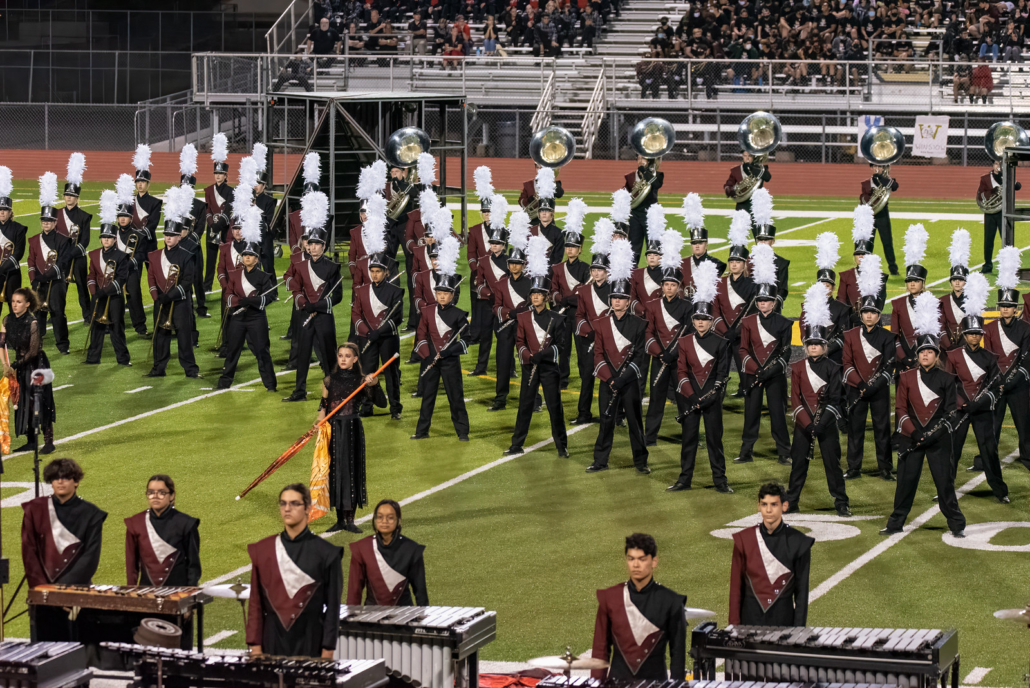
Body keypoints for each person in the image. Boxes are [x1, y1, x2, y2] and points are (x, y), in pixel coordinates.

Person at [882, 295, 966, 538]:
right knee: (905, 485)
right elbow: (900, 410)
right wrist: (915, 433)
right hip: (912, 439)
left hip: (939, 441)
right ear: (917, 355)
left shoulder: (948, 379)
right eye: (922, 352)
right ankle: (895, 523)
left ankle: (957, 524)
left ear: (937, 354)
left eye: (930, 351)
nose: (926, 355)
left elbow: (951, 412)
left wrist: (934, 434)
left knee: (945, 484)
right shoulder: (906, 377)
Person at [247, 483, 343, 658]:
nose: (287, 509)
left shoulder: (327, 553)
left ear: (308, 508)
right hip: (272, 640)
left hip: (310, 639)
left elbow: (332, 607)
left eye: (294, 504)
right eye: (283, 504)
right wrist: (255, 647)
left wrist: (328, 649)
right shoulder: (263, 550)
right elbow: (255, 603)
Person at [22, 458, 107, 641]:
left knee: (77, 654)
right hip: (43, 596)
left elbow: (90, 558)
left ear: (76, 481)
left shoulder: (91, 514)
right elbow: (29, 554)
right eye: (55, 478)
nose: (60, 481)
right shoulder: (35, 510)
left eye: (66, 477)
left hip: (76, 594)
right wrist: (44, 590)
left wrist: (62, 590)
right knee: (43, 656)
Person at [785, 286, 850, 517]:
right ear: (806, 346)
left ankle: (841, 502)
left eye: (817, 344)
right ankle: (792, 501)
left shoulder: (834, 368)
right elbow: (796, 399)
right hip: (804, 426)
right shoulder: (797, 367)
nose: (813, 347)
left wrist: (822, 424)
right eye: (810, 344)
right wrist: (808, 423)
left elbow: (835, 397)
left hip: (827, 424)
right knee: (798, 465)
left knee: (833, 465)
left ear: (824, 346)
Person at [587, 240, 649, 474]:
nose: (616, 301)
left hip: (629, 382)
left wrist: (623, 379)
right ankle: (600, 460)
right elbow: (598, 354)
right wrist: (609, 378)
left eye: (621, 298)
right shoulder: (601, 323)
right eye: (613, 298)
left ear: (628, 301)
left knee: (634, 422)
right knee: (605, 421)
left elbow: (640, 356)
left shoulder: (639, 324)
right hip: (608, 381)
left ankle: (641, 462)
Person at [943, 282, 1009, 502]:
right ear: (964, 333)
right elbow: (949, 384)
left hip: (982, 411)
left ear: (981, 334)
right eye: (969, 333)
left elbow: (997, 386)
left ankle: (1000, 491)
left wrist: (979, 404)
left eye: (976, 334)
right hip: (961, 411)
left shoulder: (990, 358)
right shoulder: (952, 355)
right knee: (953, 451)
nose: (973, 337)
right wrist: (962, 404)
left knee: (989, 452)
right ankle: (945, 489)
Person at [670, 263, 731, 493]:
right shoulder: (685, 342)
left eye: (704, 319)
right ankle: (684, 480)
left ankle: (720, 481)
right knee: (688, 441)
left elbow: (722, 375)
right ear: (693, 320)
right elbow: (681, 372)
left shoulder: (721, 342)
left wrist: (710, 397)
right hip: (690, 398)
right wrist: (693, 396)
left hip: (712, 401)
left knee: (715, 441)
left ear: (710, 320)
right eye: (697, 319)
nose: (700, 322)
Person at [591, 533, 685, 681]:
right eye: (631, 559)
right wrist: (596, 683)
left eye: (642, 559)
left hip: (656, 684)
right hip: (617, 684)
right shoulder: (610, 598)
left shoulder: (670, 601)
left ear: (654, 561)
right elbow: (600, 649)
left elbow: (678, 654)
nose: (635, 565)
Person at [505, 236, 567, 457]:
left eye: (540, 295)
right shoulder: (523, 317)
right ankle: (516, 444)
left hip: (549, 368)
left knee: (554, 407)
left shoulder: (557, 319)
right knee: (525, 406)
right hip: (530, 366)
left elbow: (561, 346)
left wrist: (546, 354)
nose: (536, 297)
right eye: (534, 294)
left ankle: (562, 446)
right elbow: (519, 342)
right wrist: (529, 357)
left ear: (546, 296)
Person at [313, 343, 385, 533]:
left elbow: (382, 403)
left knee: (351, 472)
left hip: (352, 428)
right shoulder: (329, 380)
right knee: (335, 471)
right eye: (340, 355)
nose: (343, 359)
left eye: (347, 356)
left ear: (355, 359)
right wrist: (318, 424)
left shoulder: (361, 381)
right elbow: (323, 406)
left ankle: (350, 520)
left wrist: (375, 384)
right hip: (334, 428)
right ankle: (339, 520)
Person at [735, 245, 792, 465]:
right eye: (759, 301)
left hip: (775, 376)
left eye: (766, 301)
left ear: (774, 301)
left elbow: (786, 352)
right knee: (751, 415)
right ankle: (746, 451)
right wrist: (755, 370)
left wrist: (770, 371)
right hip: (753, 374)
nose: (762, 304)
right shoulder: (748, 322)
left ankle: (784, 452)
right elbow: (742, 349)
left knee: (778, 415)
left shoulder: (784, 323)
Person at [841, 254, 896, 481]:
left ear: (878, 314)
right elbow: (846, 364)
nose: (869, 315)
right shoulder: (851, 335)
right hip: (857, 389)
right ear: (861, 315)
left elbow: (889, 365)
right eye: (866, 313)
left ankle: (885, 469)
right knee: (855, 430)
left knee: (883, 430)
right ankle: (854, 467)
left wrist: (873, 386)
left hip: (879, 391)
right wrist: (860, 384)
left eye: (873, 312)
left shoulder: (887, 336)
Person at [728, 483, 813, 626]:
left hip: (784, 623)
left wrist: (798, 632)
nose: (768, 510)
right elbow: (735, 590)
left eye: (774, 504)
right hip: (749, 622)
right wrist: (733, 627)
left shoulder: (799, 543)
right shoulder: (744, 540)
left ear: (784, 506)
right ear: (758, 506)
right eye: (764, 504)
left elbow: (801, 595)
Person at [284, 220, 343, 402]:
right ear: (307, 246)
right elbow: (296, 290)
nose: (314, 247)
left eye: (317, 244)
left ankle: (335, 390)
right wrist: (303, 303)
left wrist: (319, 306)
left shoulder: (333, 267)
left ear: (324, 246)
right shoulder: (300, 267)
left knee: (328, 356)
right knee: (303, 354)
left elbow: (337, 296)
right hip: (305, 314)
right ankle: (299, 391)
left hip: (324, 317)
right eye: (311, 244)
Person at [146, 195, 201, 380]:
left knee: (184, 337)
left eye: (172, 236)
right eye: (166, 235)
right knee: (160, 335)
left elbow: (187, 281)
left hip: (180, 303)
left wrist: (172, 295)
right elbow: (151, 277)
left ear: (179, 236)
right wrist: (156, 296)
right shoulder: (154, 255)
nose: (168, 238)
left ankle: (190, 369)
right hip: (161, 301)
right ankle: (158, 368)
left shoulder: (187, 255)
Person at [643, 234, 691, 447]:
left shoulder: (687, 307)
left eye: (673, 285)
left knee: (684, 398)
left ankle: (689, 435)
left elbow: (689, 336)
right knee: (656, 399)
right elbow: (648, 333)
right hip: (660, 360)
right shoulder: (653, 306)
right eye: (666, 284)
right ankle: (650, 436)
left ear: (678, 286)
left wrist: (676, 354)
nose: (669, 288)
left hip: (679, 361)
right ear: (661, 286)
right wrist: (660, 353)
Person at [411, 269, 470, 441]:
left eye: (445, 293)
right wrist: (428, 355)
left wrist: (450, 351)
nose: (442, 296)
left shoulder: (459, 315)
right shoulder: (427, 311)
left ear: (452, 295)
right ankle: (422, 431)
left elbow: (467, 339)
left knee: (455, 396)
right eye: (439, 293)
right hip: (431, 360)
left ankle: (463, 432)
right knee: (427, 396)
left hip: (450, 361)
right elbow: (420, 335)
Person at [984, 252, 1030, 474]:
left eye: (1009, 306)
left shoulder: (1025, 329)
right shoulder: (990, 328)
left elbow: (1026, 359)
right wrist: (997, 382)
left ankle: (1028, 457)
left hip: (1019, 386)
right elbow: (988, 356)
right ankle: (986, 458)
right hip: (996, 384)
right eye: (1002, 305)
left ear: (1016, 309)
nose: (1005, 309)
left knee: (1024, 425)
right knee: (992, 425)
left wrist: (1010, 382)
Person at [218, 223, 278, 391]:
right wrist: (240, 302)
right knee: (232, 351)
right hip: (237, 318)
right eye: (245, 255)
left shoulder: (264, 277)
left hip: (256, 319)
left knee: (262, 351)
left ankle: (271, 384)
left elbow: (269, 297)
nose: (247, 258)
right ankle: (224, 382)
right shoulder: (235, 275)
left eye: (250, 256)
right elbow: (228, 296)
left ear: (256, 259)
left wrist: (251, 301)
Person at [2, 288, 55, 453]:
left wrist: (15, 366)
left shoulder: (32, 323)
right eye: (13, 302)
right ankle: (31, 441)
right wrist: (4, 364)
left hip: (37, 366)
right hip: (20, 366)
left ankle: (48, 442)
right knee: (24, 402)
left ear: (27, 304)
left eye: (19, 302)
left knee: (40, 401)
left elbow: (33, 351)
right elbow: (1, 343)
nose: (15, 305)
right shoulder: (7, 320)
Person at [347, 499, 428, 606]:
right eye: (379, 517)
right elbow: (354, 591)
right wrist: (351, 619)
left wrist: (422, 619)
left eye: (390, 518)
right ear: (374, 520)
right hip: (372, 618)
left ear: (398, 520)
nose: (384, 521)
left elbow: (420, 592)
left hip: (404, 618)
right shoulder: (362, 548)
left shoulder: (411, 549)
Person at [488, 222, 533, 413]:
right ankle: (500, 399)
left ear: (523, 265)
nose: (514, 266)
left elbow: (536, 307)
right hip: (506, 329)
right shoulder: (501, 284)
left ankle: (534, 399)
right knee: (503, 364)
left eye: (518, 263)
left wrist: (523, 314)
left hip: (525, 329)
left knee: (528, 363)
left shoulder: (531, 283)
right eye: (512, 263)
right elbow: (496, 308)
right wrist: (509, 313)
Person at [125, 474, 201, 586]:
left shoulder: (185, 523)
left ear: (171, 495)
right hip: (148, 595)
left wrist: (189, 596)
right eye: (150, 492)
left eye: (161, 492)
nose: (155, 496)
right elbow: (131, 566)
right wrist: (131, 595)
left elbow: (193, 566)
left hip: (178, 594)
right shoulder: (136, 523)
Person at [352, 252, 403, 419]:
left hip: (388, 338)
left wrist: (379, 332)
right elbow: (356, 315)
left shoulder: (395, 292)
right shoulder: (361, 290)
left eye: (378, 271)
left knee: (391, 373)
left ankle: (395, 408)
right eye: (372, 271)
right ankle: (367, 406)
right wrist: (367, 332)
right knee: (367, 372)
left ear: (386, 272)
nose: (375, 274)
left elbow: (397, 318)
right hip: (367, 337)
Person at [28, 179, 74, 355]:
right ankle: (36, 344)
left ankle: (62, 345)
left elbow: (63, 262)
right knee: (38, 314)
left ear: (55, 222)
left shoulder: (64, 240)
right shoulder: (33, 240)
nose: (46, 223)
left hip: (56, 282)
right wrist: (34, 279)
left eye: (49, 221)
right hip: (39, 282)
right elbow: (31, 260)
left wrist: (47, 275)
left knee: (57, 313)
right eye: (43, 220)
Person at [84, 199, 132, 367]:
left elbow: (121, 278)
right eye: (103, 237)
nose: (106, 240)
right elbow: (90, 275)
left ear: (114, 239)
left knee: (117, 327)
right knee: (96, 327)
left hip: (115, 297)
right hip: (98, 296)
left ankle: (123, 359)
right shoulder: (95, 254)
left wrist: (107, 291)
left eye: (109, 238)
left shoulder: (121, 256)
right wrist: (94, 291)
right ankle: (93, 357)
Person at [714, 212, 756, 396]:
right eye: (731, 261)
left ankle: (747, 393)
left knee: (744, 367)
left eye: (737, 261)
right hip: (722, 334)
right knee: (720, 368)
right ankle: (718, 395)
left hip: (741, 335)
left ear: (744, 263)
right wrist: (724, 329)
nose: (733, 264)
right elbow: (715, 309)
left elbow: (752, 311)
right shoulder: (720, 283)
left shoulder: (751, 286)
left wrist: (737, 332)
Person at [549, 207, 589, 390]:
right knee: (563, 349)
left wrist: (569, 300)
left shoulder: (586, 269)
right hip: (562, 315)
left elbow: (585, 292)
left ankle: (585, 379)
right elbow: (553, 290)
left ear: (580, 250)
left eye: (573, 247)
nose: (570, 250)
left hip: (579, 315)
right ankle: (562, 380)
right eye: (568, 247)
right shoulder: (557, 268)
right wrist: (559, 299)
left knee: (582, 351)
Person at [797, 233, 850, 365]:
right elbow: (804, 329)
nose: (824, 288)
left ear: (833, 288)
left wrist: (825, 350)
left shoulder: (842, 309)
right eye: (821, 285)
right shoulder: (807, 306)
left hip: (834, 357)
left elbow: (843, 335)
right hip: (812, 354)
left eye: (827, 285)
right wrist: (811, 348)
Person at [837, 205, 887, 328]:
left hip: (874, 323)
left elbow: (880, 301)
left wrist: (869, 315)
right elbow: (841, 300)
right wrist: (851, 316)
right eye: (858, 254)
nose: (860, 256)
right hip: (851, 322)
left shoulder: (880, 276)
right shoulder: (846, 275)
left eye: (864, 254)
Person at [890, 224, 930, 375]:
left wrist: (924, 357)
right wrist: (903, 358)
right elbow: (895, 334)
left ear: (923, 283)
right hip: (904, 360)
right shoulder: (898, 304)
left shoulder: (932, 303)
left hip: (926, 359)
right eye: (909, 281)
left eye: (916, 280)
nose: (912, 284)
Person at [57, 153, 92, 322]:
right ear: (64, 196)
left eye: (72, 195)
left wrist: (73, 252)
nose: (69, 197)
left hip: (77, 258)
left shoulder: (84, 216)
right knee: (59, 287)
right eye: (67, 195)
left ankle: (87, 314)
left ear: (77, 198)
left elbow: (85, 241)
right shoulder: (57, 214)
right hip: (62, 256)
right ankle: (56, 313)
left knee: (82, 287)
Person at [114, 175, 150, 339]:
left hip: (131, 271)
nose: (122, 219)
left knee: (134, 296)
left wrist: (130, 263)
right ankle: (112, 324)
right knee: (113, 296)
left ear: (130, 218)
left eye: (126, 216)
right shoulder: (112, 234)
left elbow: (141, 255)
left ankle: (140, 325)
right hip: (115, 271)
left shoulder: (138, 235)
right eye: (120, 216)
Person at [467, 181, 496, 377]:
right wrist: (477, 270)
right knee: (478, 311)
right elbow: (470, 253)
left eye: (490, 211)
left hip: (495, 282)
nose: (487, 214)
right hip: (478, 276)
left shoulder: (500, 230)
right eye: (484, 211)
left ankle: (509, 368)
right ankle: (475, 337)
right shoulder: (475, 230)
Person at [202, 134, 234, 293]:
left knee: (226, 259)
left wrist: (218, 225)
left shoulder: (230, 191)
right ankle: (206, 286)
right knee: (210, 259)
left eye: (221, 173)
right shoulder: (208, 190)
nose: (218, 176)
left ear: (226, 175)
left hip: (225, 229)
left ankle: (228, 285)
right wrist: (211, 225)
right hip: (212, 228)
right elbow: (207, 210)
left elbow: (228, 210)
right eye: (216, 173)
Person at [978, 159, 1020, 273]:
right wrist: (992, 192)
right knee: (988, 240)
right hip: (990, 213)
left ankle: (1008, 266)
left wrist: (1008, 177)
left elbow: (1018, 186)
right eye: (996, 163)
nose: (998, 166)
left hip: (1003, 212)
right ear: (993, 165)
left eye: (1000, 164)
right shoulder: (985, 178)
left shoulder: (1006, 177)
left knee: (1005, 239)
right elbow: (980, 195)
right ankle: (987, 265)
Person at [859, 162, 900, 275]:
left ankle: (893, 269)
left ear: (884, 168)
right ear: (871, 168)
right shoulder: (866, 183)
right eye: (875, 166)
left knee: (887, 242)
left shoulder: (886, 181)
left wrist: (881, 179)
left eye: (880, 166)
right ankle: (865, 267)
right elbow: (863, 199)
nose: (877, 169)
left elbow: (895, 186)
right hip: (870, 216)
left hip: (883, 215)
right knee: (868, 244)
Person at [622, 157, 665, 264]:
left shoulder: (657, 175)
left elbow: (655, 184)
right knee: (633, 249)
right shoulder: (632, 176)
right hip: (635, 215)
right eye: (639, 158)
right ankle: (632, 274)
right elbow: (626, 194)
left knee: (653, 247)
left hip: (651, 215)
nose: (640, 160)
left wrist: (643, 170)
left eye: (644, 158)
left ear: (649, 160)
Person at [131, 146, 162, 269]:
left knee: (152, 276)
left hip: (149, 244)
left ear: (148, 184)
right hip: (133, 245)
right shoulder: (130, 200)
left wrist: (139, 234)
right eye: (138, 182)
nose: (140, 184)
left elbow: (153, 224)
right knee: (133, 277)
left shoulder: (155, 202)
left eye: (142, 182)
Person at [0, 174, 27, 316]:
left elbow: (19, 252)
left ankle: (14, 336)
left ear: (10, 212)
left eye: (5, 210)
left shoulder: (19, 228)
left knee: (14, 306)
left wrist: (3, 267)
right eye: (0, 209)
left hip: (12, 272)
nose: (2, 212)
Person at [940, 230, 971, 352]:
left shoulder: (973, 301)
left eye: (960, 280)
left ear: (966, 282)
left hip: (967, 350)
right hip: (946, 350)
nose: (957, 282)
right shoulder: (942, 301)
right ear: (950, 282)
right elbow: (940, 326)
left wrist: (964, 347)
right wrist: (949, 346)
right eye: (954, 280)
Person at [724, 150, 771, 217]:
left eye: (750, 156)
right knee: (739, 226)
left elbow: (767, 177)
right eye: (745, 156)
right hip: (742, 204)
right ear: (742, 157)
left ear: (753, 157)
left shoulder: (759, 169)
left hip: (756, 204)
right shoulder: (736, 170)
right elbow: (729, 184)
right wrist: (729, 189)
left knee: (758, 226)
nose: (747, 158)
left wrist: (751, 168)